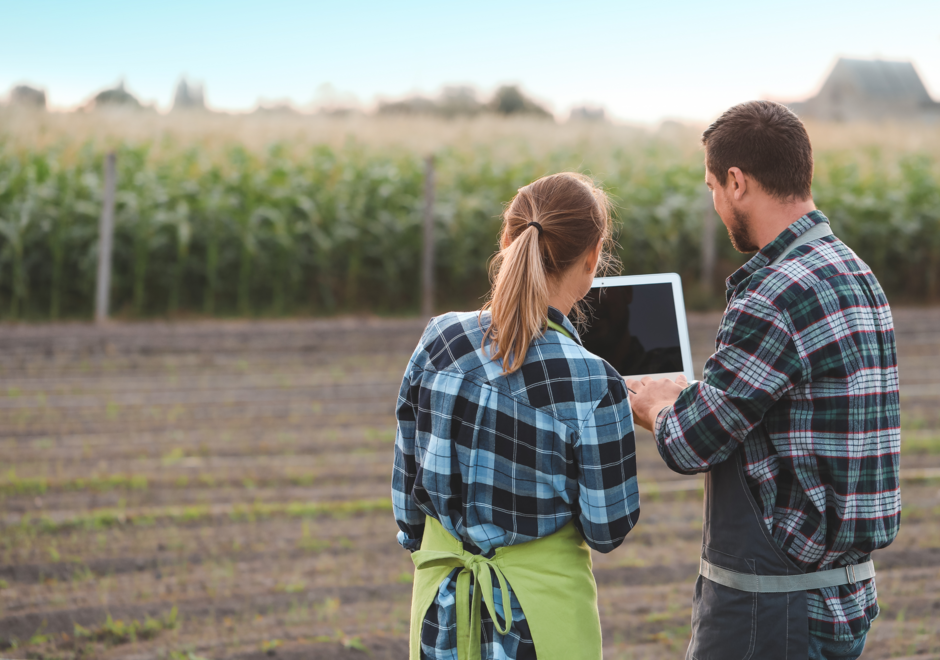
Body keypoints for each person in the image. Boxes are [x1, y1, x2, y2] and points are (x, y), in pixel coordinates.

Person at [627, 101, 901, 660]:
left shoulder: (775, 292)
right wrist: (697, 400)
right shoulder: (854, 270)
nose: (714, 202)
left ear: (736, 181)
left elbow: (691, 442)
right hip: (842, 597)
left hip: (772, 614)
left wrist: (659, 405)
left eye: (711, 186)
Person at [392, 172, 640, 660]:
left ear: (506, 241)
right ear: (592, 263)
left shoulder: (438, 340)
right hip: (538, 629)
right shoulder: (595, 382)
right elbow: (608, 529)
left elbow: (408, 501)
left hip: (441, 616)